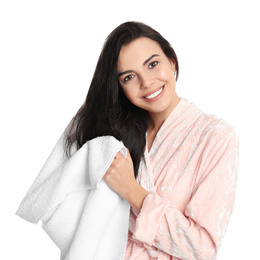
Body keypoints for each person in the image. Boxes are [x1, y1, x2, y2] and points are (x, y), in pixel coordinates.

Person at [25, 21, 239, 259]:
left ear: (172, 62)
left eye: (153, 64)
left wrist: (131, 190)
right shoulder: (111, 138)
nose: (146, 82)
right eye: (129, 77)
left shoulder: (216, 136)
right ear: (119, 87)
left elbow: (202, 249)